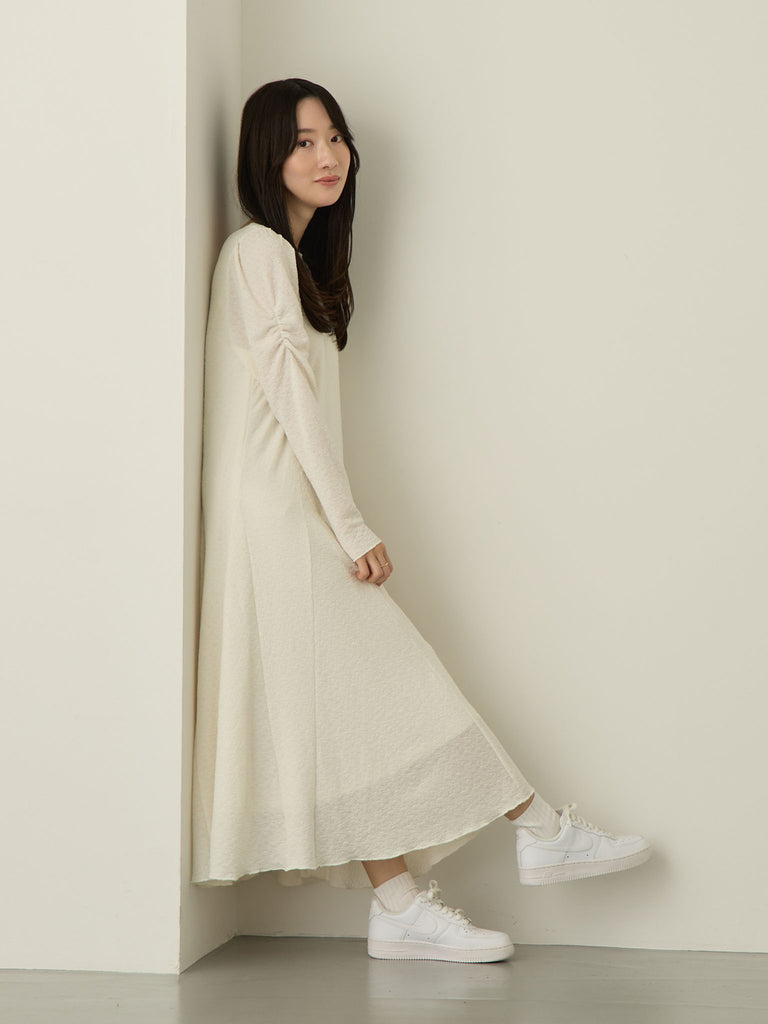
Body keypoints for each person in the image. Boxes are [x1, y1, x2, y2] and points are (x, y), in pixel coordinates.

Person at [190, 77, 650, 964]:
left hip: (284, 514)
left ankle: (400, 902)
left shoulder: (292, 260)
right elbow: (289, 399)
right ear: (266, 158)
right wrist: (351, 525)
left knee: (356, 706)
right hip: (278, 520)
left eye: (335, 137)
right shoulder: (257, 250)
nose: (327, 156)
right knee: (395, 681)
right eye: (302, 142)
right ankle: (540, 829)